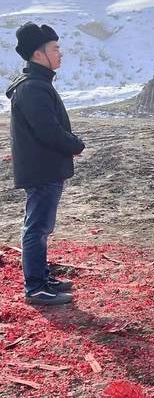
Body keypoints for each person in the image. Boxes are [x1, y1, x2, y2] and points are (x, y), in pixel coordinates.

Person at [6, 22, 85, 306]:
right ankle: (36, 288)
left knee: (40, 227)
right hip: (42, 171)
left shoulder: (35, 84)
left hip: (43, 168)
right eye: (55, 48)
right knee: (37, 229)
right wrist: (75, 144)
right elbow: (48, 131)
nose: (60, 53)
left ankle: (41, 278)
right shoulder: (33, 87)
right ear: (38, 54)